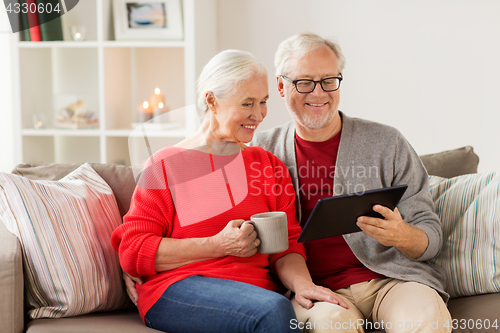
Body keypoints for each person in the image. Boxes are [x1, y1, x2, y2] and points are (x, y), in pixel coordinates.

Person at [112, 49, 347, 333]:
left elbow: (287, 246)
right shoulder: (165, 165)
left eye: (263, 102)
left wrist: (304, 286)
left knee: (280, 310)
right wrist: (217, 245)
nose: (259, 114)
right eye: (247, 103)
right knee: (273, 310)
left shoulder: (268, 165)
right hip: (178, 290)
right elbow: (133, 250)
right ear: (211, 100)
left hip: (255, 295)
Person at [248, 32, 452, 333]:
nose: (319, 94)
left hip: (394, 281)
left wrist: (403, 235)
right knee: (330, 328)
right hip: (317, 293)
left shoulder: (387, 142)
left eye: (329, 80)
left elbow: (430, 238)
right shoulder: (261, 151)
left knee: (425, 322)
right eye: (304, 82)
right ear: (281, 86)